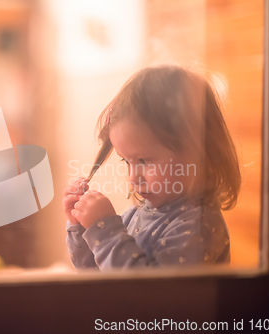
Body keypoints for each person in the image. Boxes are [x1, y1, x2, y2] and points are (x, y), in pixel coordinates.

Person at [63, 65, 241, 271]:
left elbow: (148, 294)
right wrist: (81, 227)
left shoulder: (197, 225)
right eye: (126, 161)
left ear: (199, 154)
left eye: (144, 161)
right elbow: (96, 276)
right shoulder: (135, 215)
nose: (132, 177)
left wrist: (104, 230)